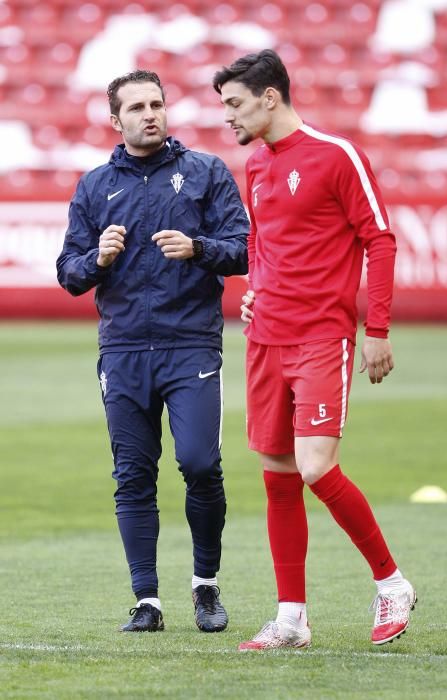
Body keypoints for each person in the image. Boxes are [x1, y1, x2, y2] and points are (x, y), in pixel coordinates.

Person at [213, 50, 416, 650]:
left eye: (234, 103)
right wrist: (251, 293)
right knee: (278, 476)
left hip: (323, 336)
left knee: (315, 467)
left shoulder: (336, 155)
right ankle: (292, 619)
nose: (228, 116)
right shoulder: (254, 165)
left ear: (269, 97)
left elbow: (379, 240)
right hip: (265, 339)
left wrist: (375, 328)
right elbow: (259, 244)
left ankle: (392, 582)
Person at [57, 69, 249, 634]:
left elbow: (243, 250)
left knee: (198, 462)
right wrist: (98, 260)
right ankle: (148, 600)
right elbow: (68, 273)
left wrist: (199, 248)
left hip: (190, 342)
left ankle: (205, 586)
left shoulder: (205, 173)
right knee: (133, 475)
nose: (151, 114)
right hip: (122, 350)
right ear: (115, 121)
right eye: (137, 107)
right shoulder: (94, 186)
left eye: (157, 104)